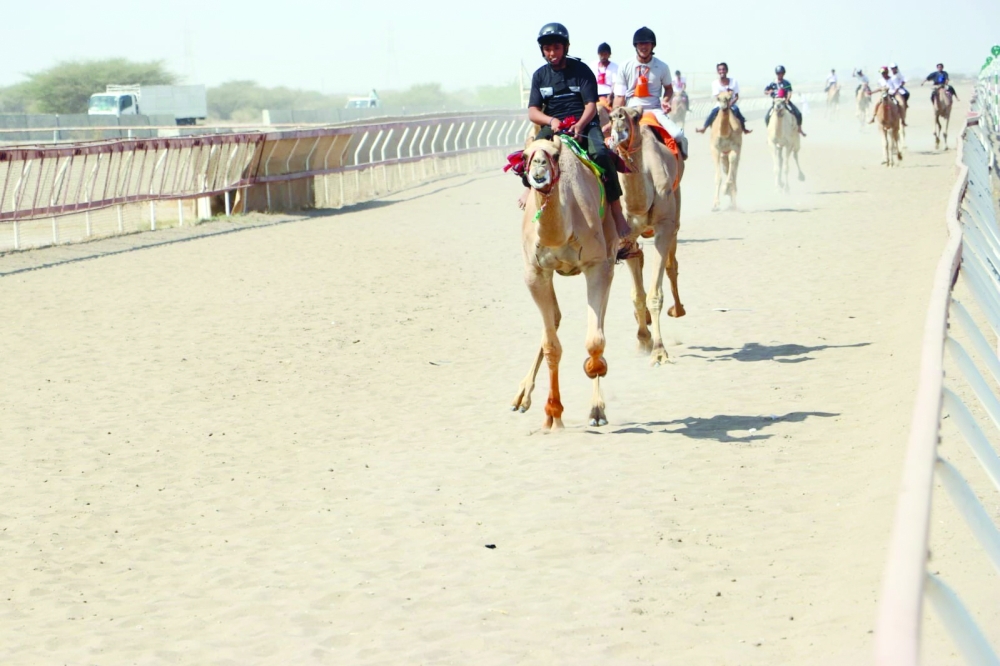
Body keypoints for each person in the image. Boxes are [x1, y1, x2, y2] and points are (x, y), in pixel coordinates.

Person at [523, 22, 630, 247]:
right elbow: (533, 111)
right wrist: (551, 120)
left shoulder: (581, 71)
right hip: (554, 126)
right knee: (532, 153)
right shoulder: (540, 76)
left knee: (601, 153)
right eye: (547, 49)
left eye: (556, 48)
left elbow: (591, 103)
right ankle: (528, 188)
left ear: (566, 47)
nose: (552, 53)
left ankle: (617, 212)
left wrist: (580, 125)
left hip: (584, 123)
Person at [611, 26, 688, 159]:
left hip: (654, 110)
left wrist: (665, 101)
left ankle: (680, 157)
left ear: (652, 46)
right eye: (640, 44)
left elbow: (669, 89)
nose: (643, 47)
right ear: (636, 45)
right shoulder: (625, 66)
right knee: (613, 142)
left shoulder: (662, 67)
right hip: (630, 110)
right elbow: (619, 96)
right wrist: (615, 116)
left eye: (647, 43)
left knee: (677, 135)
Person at [695, 62, 751, 134]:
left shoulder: (734, 82)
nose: (722, 71)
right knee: (713, 112)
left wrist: (730, 103)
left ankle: (744, 128)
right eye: (720, 70)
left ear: (727, 71)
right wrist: (724, 103)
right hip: (720, 103)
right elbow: (717, 96)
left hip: (732, 103)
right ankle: (704, 127)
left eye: (723, 69)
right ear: (718, 71)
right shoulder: (715, 83)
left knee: (737, 110)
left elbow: (736, 96)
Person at [764, 65, 806, 136]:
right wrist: (769, 92)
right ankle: (770, 132)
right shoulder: (772, 83)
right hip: (776, 102)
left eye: (781, 73)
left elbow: (789, 92)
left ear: (783, 74)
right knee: (767, 117)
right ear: (776, 74)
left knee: (798, 113)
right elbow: (765, 91)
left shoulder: (786, 83)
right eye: (778, 73)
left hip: (784, 101)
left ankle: (799, 128)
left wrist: (787, 99)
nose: (780, 75)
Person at [591, 42, 619, 107]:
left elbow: (615, 83)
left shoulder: (615, 67)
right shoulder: (593, 65)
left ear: (609, 55)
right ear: (598, 54)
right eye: (601, 54)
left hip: (609, 94)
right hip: (595, 94)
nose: (603, 56)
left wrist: (611, 95)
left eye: (605, 54)